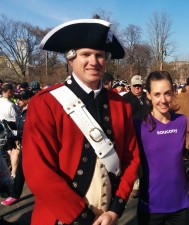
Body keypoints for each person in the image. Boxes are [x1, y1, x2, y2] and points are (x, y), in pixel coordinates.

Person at [22, 19, 140, 225]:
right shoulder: (45, 103)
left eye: (100, 55)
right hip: (61, 219)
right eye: (85, 54)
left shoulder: (120, 105)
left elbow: (131, 159)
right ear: (71, 59)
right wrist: (83, 218)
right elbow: (38, 172)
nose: (93, 62)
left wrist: (116, 209)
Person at [134, 71, 189, 225]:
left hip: (179, 204)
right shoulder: (139, 125)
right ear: (149, 95)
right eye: (157, 94)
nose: (163, 100)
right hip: (151, 206)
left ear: (173, 92)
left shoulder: (181, 121)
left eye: (167, 94)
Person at [1, 89, 33, 206]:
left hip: (34, 146)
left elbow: (28, 129)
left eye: (21, 98)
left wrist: (13, 134)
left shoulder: (33, 111)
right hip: (24, 144)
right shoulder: (21, 111)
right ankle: (14, 195)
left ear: (28, 99)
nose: (18, 101)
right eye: (17, 98)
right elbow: (19, 129)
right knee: (21, 170)